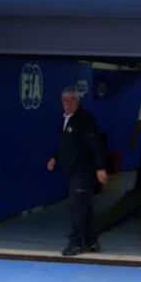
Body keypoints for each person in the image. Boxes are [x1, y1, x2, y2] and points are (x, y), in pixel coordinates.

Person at [47, 87, 107, 257]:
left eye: (72, 99)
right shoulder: (66, 119)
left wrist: (100, 167)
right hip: (72, 170)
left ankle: (75, 243)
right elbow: (67, 144)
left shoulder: (85, 120)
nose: (69, 103)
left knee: (76, 207)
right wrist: (55, 157)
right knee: (85, 207)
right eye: (65, 100)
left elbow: (96, 144)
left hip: (83, 171)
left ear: (78, 101)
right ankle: (91, 241)